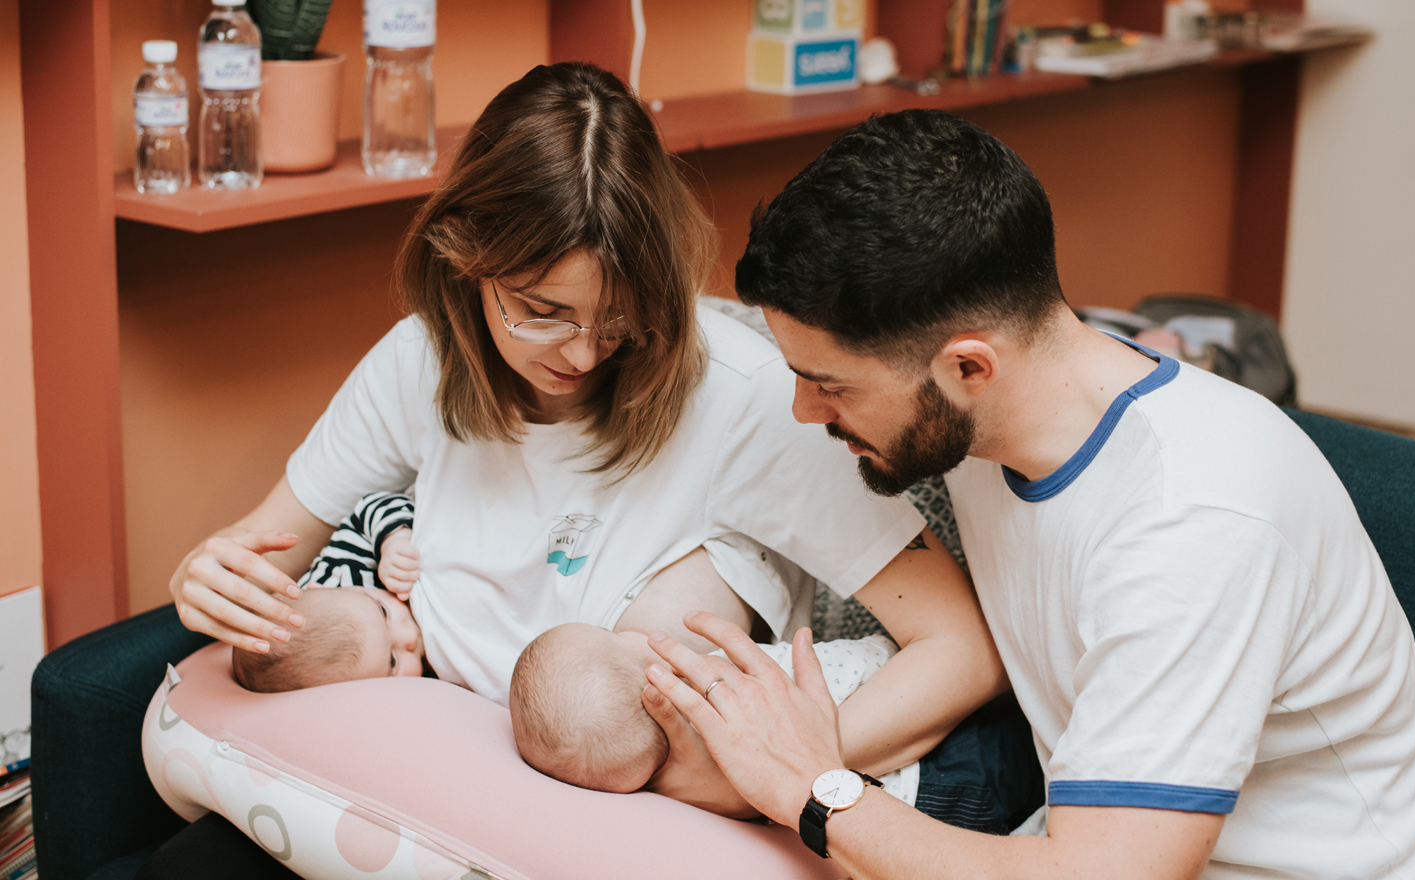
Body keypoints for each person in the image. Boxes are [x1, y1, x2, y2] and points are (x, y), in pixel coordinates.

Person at [32, 66, 1007, 880]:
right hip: (434, 762)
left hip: (618, 798)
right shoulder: (420, 363)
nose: (583, 353)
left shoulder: (747, 396)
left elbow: (960, 647)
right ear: (465, 259)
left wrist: (774, 769)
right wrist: (212, 574)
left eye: (616, 315)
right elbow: (265, 548)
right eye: (539, 310)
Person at [641, 110, 1415, 879]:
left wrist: (811, 786)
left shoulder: (1189, 526)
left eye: (830, 386)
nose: (805, 412)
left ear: (968, 368)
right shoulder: (1008, 403)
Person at [510, 622, 1041, 832]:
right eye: (619, 636)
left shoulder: (674, 801)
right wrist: (884, 648)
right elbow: (851, 670)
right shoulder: (732, 678)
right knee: (1030, 744)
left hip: (907, 824)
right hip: (952, 764)